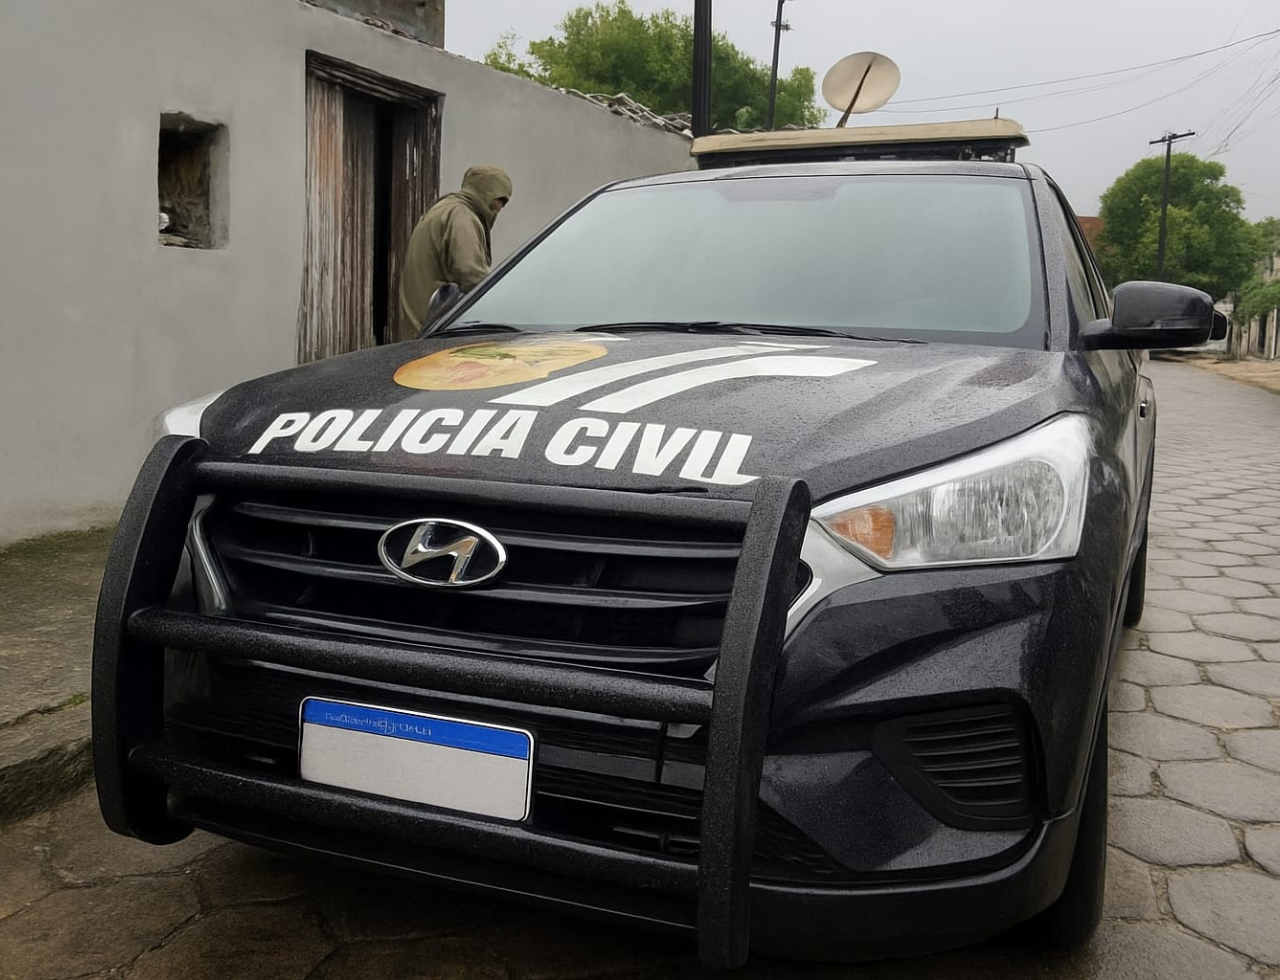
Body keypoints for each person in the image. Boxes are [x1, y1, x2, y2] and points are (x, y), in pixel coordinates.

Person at [395, 165, 513, 343]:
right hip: (435, 332)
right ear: (484, 194)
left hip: (419, 327)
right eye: (500, 200)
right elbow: (471, 275)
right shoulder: (462, 217)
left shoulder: (444, 209)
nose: (501, 207)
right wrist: (502, 313)